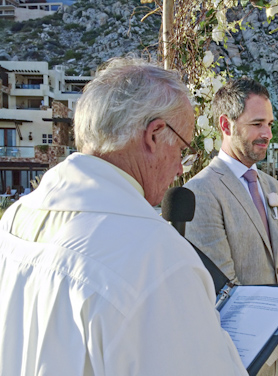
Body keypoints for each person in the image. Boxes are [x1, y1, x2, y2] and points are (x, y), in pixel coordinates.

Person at [0, 58, 246, 375]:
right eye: (182, 149)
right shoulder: (156, 257)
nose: (178, 168)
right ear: (155, 135)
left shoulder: (15, 218)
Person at [184, 77, 278, 376]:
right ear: (226, 125)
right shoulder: (202, 191)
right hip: (239, 360)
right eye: (257, 124)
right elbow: (224, 289)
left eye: (270, 124)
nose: (267, 133)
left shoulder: (274, 187)